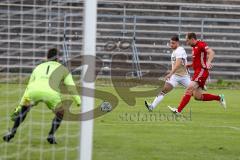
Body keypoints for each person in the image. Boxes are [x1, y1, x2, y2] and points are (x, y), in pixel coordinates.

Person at [3, 48, 81, 144]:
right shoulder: (63, 69)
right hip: (51, 94)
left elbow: (29, 86)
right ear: (58, 58)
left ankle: (11, 133)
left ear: (46, 57)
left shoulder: (38, 67)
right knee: (61, 113)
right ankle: (51, 136)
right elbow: (71, 87)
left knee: (23, 111)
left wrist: (19, 107)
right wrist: (78, 101)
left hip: (33, 92)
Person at [168, 32, 226, 114]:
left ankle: (178, 110)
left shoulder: (201, 44)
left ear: (192, 39)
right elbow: (198, 61)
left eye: (187, 41)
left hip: (202, 72)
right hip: (198, 72)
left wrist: (208, 62)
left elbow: (212, 52)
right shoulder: (194, 47)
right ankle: (219, 98)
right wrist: (190, 65)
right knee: (197, 96)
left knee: (189, 88)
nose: (186, 43)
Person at [145, 35, 190, 111]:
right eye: (170, 43)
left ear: (178, 43)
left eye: (173, 43)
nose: (171, 45)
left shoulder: (180, 50)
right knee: (164, 90)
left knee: (197, 95)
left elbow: (178, 64)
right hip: (175, 76)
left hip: (184, 77)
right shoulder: (174, 52)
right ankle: (152, 107)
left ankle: (216, 97)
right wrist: (172, 74)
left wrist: (170, 73)